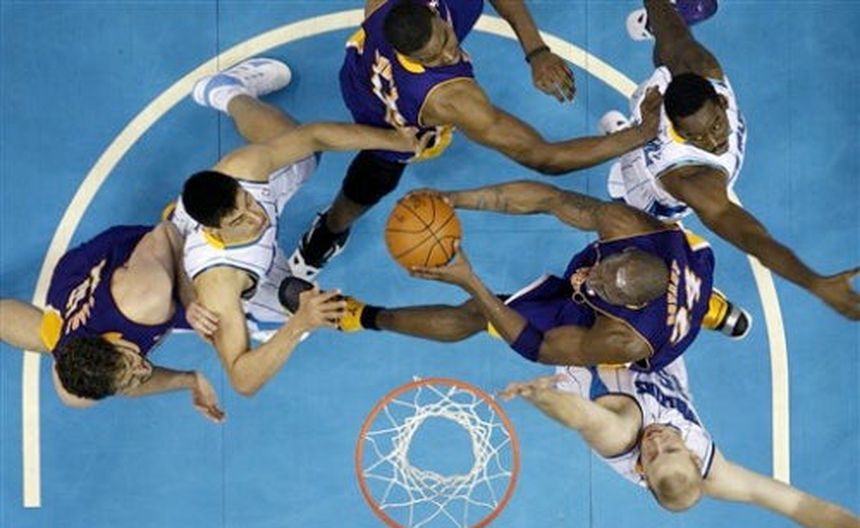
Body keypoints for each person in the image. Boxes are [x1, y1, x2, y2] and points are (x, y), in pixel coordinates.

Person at [288, 0, 671, 280]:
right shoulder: (453, 99)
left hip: (357, 70)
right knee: (376, 172)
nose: (449, 53)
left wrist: (536, 50)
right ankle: (327, 233)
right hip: (396, 122)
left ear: (433, 12)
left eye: (445, 38)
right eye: (433, 58)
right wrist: (639, 134)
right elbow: (544, 158)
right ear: (411, 57)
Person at [174, 58, 423, 396]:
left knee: (303, 154)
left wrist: (394, 141)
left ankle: (226, 91)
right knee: (296, 312)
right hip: (247, 272)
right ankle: (265, 315)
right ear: (216, 231)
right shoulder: (220, 281)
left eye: (247, 202)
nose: (256, 217)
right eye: (239, 220)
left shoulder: (242, 170)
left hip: (239, 236)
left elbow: (313, 136)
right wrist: (298, 325)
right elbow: (242, 380)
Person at [601, 0, 859, 320]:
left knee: (670, 45)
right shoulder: (691, 179)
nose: (714, 143)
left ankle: (626, 124)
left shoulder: (700, 65)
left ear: (722, 101)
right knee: (652, 257)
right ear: (680, 132)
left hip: (657, 104)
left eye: (715, 126)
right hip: (648, 187)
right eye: (698, 137)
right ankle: (704, 302)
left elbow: (670, 29)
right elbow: (753, 238)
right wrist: (813, 282)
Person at [342, 181, 740, 370]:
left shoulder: (624, 338)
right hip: (692, 260)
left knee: (478, 314)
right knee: (685, 244)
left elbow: (540, 348)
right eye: (604, 269)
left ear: (631, 305)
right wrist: (455, 198)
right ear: (627, 249)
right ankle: (706, 304)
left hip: (652, 338)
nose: (592, 280)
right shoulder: (628, 226)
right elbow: (551, 199)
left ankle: (363, 317)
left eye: (604, 290)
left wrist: (471, 281)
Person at [499, 365, 860, 527]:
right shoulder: (712, 470)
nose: (656, 442)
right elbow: (800, 505)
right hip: (658, 348)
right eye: (671, 449)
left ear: (642, 470)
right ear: (693, 456)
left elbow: (584, 418)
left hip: (587, 339)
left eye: (652, 457)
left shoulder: (622, 437)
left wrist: (540, 396)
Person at [0, 222, 226, 423]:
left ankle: (187, 221)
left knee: (216, 314)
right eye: (128, 381)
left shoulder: (147, 297)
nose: (143, 370)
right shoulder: (96, 365)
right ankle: (55, 338)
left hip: (104, 263)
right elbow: (120, 379)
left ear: (111, 341)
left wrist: (190, 302)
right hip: (70, 300)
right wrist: (189, 380)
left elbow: (166, 232)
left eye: (129, 365)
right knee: (73, 396)